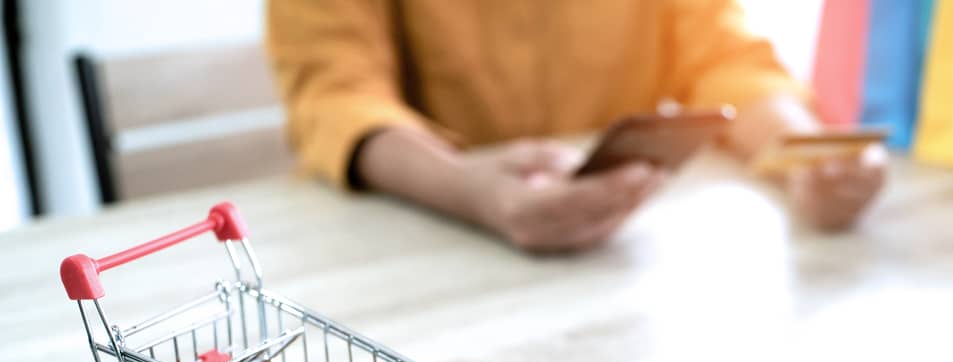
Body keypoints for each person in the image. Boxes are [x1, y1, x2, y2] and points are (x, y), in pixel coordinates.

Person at [267, 0, 888, 253]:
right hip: (400, 249)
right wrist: (466, 188)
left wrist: (806, 153)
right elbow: (335, 94)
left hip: (614, 261)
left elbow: (724, 57)